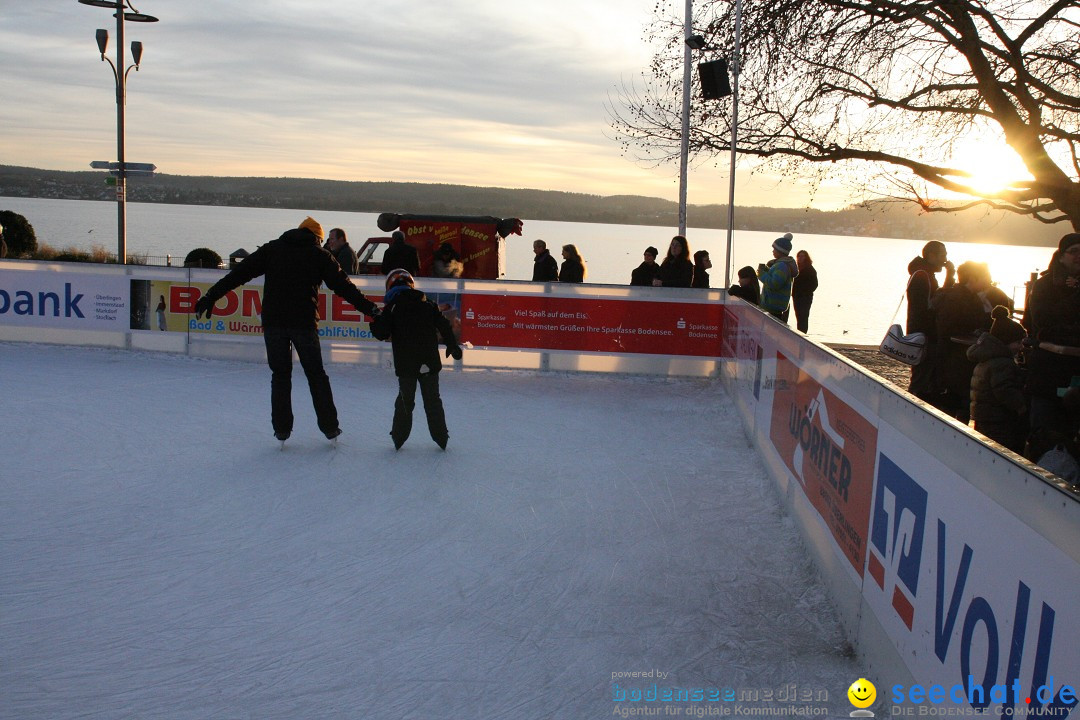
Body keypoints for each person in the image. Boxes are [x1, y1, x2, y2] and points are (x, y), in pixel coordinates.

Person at [192, 216, 379, 443]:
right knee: (316, 375)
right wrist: (370, 308)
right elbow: (344, 287)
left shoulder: (273, 249)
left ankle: (282, 430)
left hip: (274, 324)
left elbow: (238, 274)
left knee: (280, 375)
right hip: (304, 323)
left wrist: (211, 296)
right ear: (317, 238)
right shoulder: (319, 255)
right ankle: (330, 428)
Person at [370, 269, 462, 450]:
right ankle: (441, 438)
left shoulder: (393, 307)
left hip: (406, 364)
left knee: (405, 401)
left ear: (390, 286)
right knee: (433, 400)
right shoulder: (428, 303)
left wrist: (374, 321)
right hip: (429, 361)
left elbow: (382, 333)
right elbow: (443, 324)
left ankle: (398, 437)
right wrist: (452, 345)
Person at [1022, 232, 1080, 455]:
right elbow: (1042, 323)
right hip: (1048, 372)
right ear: (1061, 256)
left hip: (1076, 373)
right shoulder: (1046, 285)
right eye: (1074, 252)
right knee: (1044, 433)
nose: (1078, 257)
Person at [931, 261, 992, 423]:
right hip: (955, 361)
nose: (989, 280)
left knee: (959, 406)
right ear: (973, 278)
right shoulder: (956, 299)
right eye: (985, 276)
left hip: (960, 360)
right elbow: (947, 329)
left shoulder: (973, 298)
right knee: (954, 407)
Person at [967, 306, 1027, 453]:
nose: (1020, 346)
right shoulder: (1002, 363)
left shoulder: (986, 358)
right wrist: (1021, 406)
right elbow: (1004, 390)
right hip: (998, 420)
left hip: (984, 416)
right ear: (1006, 341)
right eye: (1018, 342)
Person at [905, 240, 956, 404]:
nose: (945, 259)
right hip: (925, 334)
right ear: (931, 256)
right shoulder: (922, 276)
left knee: (923, 378)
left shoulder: (924, 274)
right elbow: (932, 305)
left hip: (923, 333)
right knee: (922, 380)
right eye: (943, 255)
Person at [757, 232, 799, 321]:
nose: (773, 251)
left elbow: (774, 284)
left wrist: (761, 274)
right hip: (774, 306)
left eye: (774, 249)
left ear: (780, 251)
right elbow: (777, 278)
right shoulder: (781, 265)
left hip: (773, 307)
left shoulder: (782, 266)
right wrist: (767, 270)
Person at [792, 250, 818, 333]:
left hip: (805, 297)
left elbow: (815, 284)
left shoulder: (810, 269)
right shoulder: (796, 268)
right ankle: (799, 333)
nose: (800, 258)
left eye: (802, 256)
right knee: (798, 316)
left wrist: (805, 292)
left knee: (803, 317)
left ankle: (802, 335)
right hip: (796, 296)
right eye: (799, 256)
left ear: (806, 258)